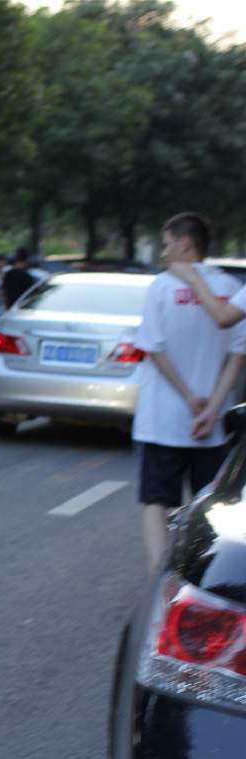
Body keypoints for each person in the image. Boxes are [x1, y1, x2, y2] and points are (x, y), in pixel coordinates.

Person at [132, 212, 246, 570]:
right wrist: (212, 407)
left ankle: (158, 578)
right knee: (209, 511)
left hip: (160, 419)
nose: (163, 253)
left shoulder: (161, 286)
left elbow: (155, 348)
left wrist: (187, 396)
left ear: (184, 244)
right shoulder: (231, 288)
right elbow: (237, 356)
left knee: (156, 503)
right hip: (211, 427)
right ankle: (198, 578)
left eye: (166, 244)